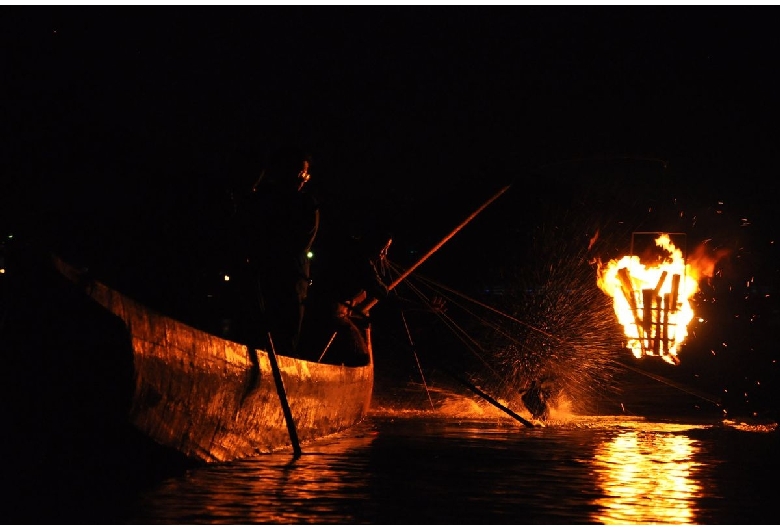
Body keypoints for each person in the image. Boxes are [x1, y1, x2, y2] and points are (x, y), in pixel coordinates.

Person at [239, 145, 320, 357]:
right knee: (255, 332)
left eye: (306, 174)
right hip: (262, 278)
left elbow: (300, 243)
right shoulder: (263, 197)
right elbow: (246, 230)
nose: (303, 178)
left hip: (292, 282)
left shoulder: (307, 204)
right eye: (300, 172)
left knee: (286, 337)